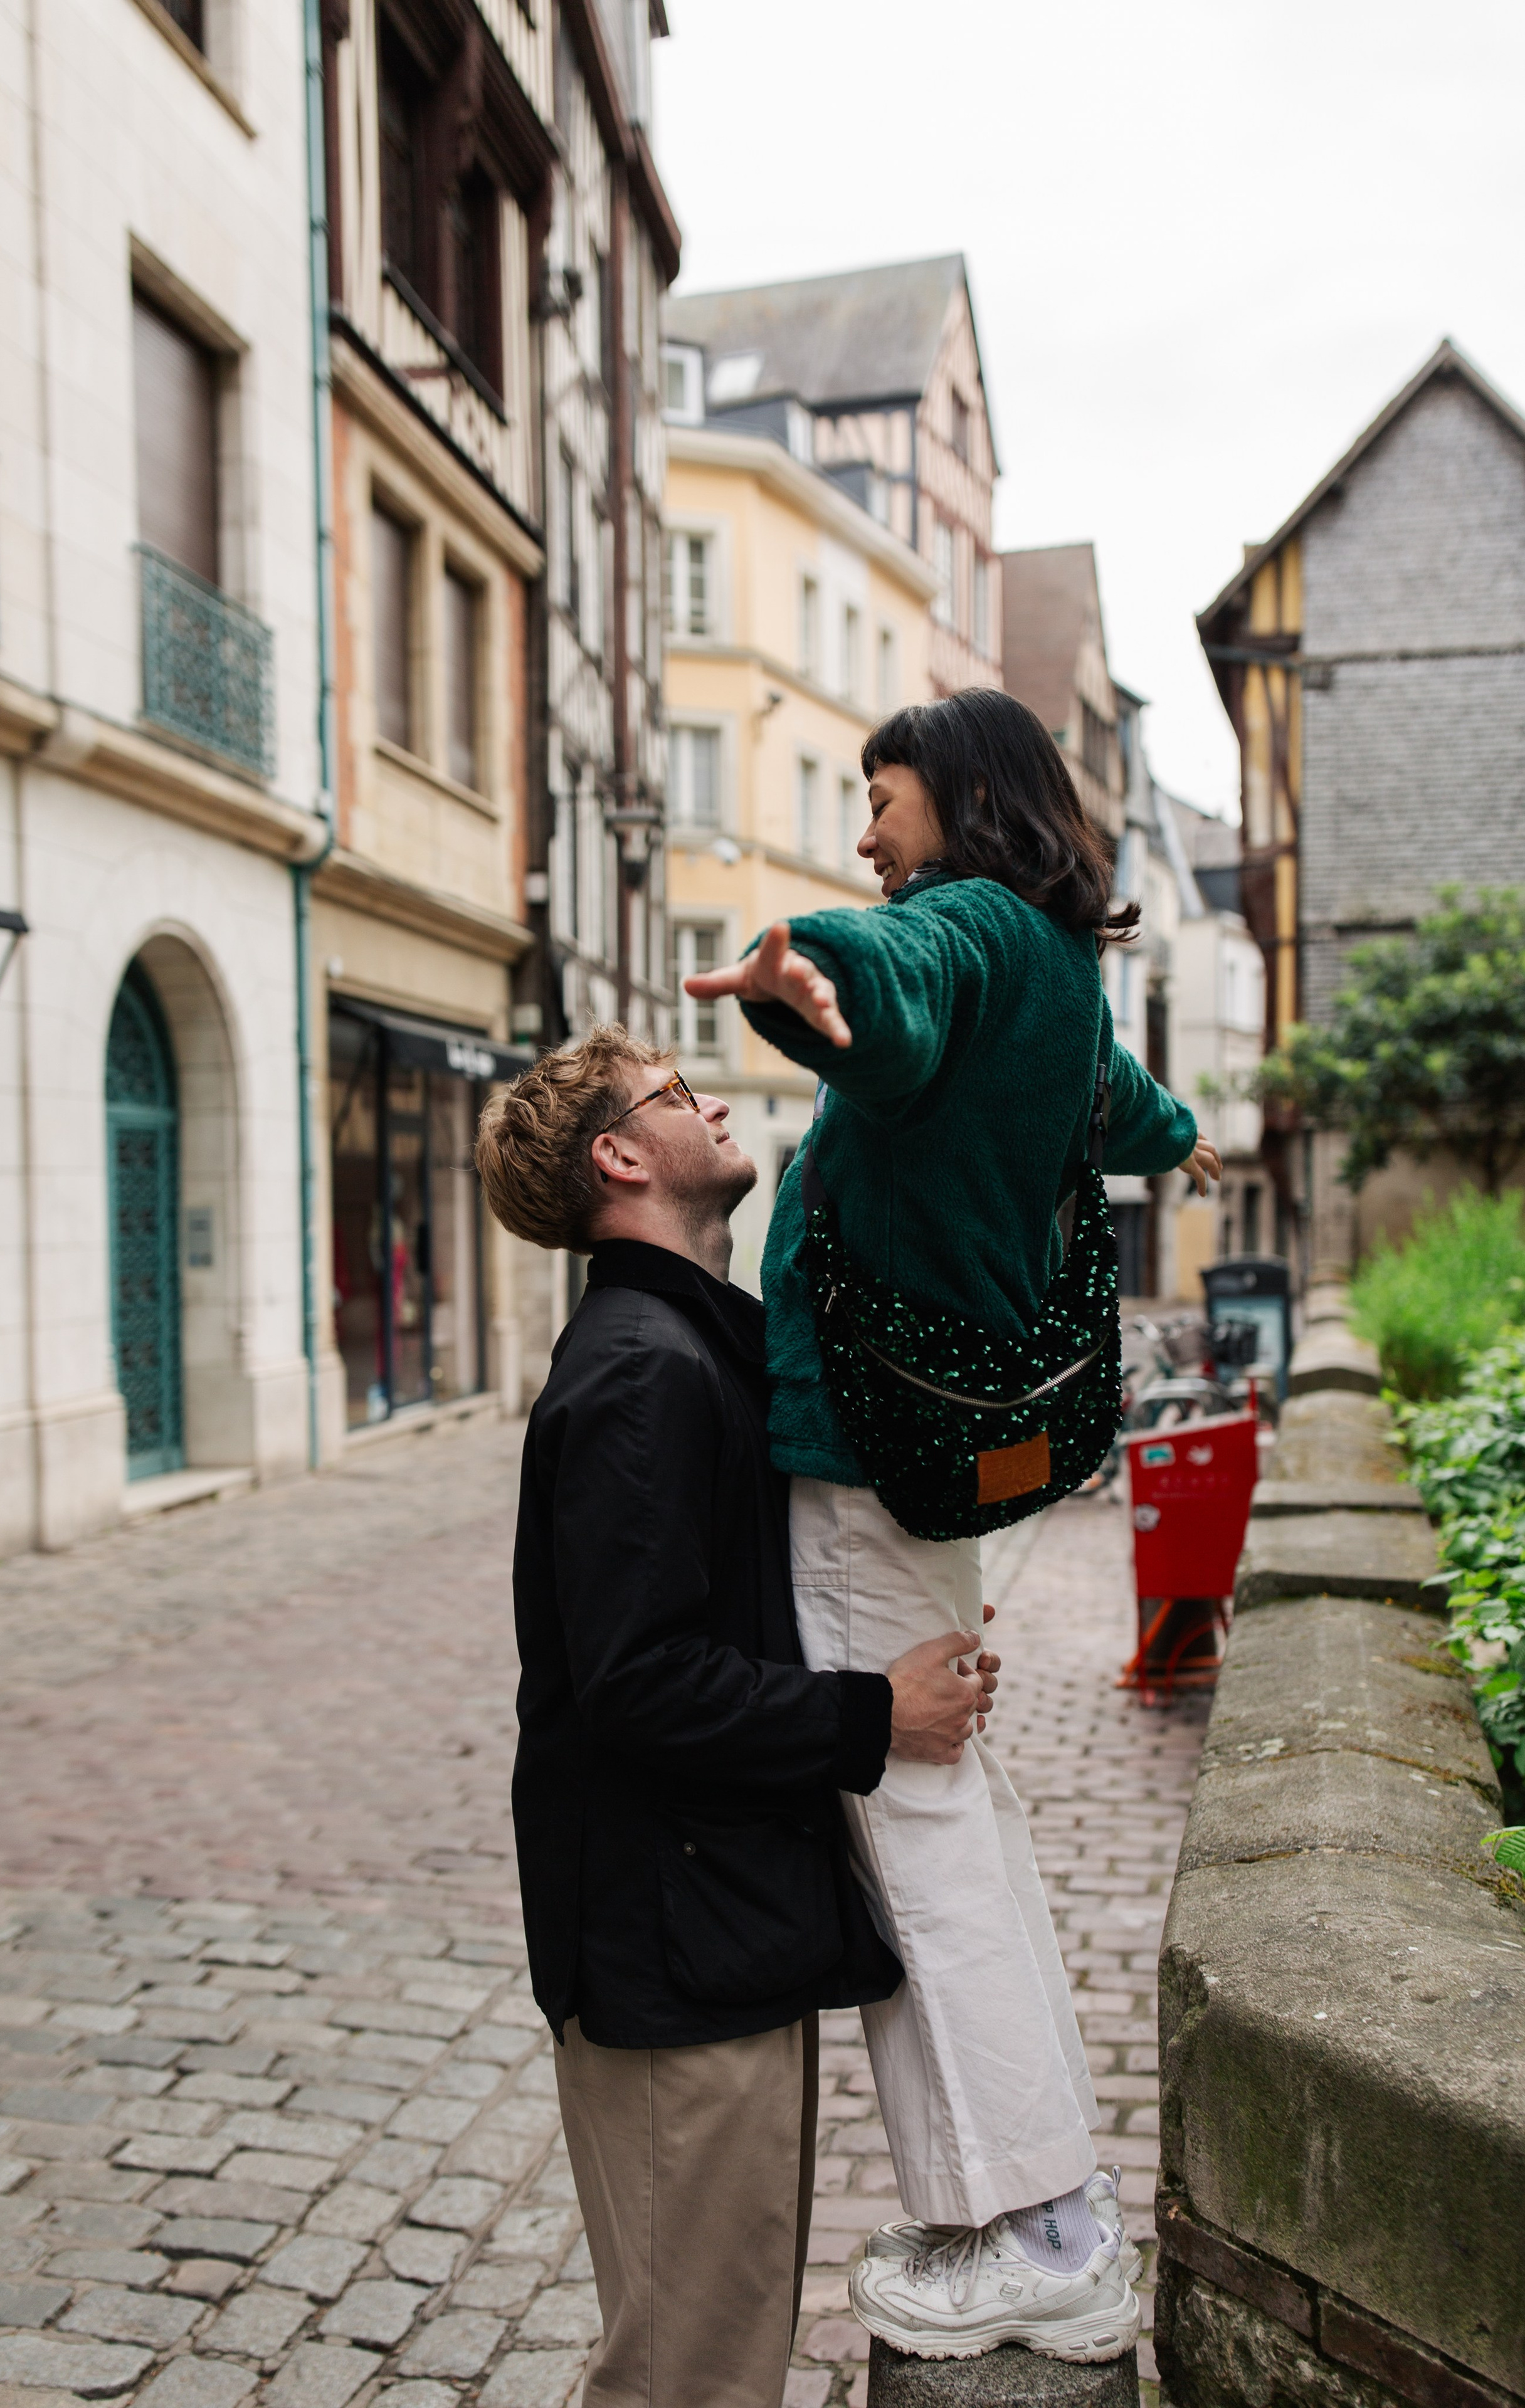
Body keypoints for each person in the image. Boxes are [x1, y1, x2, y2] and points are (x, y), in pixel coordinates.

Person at [685, 686, 1220, 2366]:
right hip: (966, 1449)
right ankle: (1039, 2198)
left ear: (963, 802)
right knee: (951, 1803)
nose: (865, 830)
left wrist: (813, 963)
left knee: (915, 1810)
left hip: (870, 1454)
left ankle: (1041, 2230)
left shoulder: (965, 928)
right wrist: (1164, 1140)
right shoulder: (1063, 970)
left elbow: (900, 998)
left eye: (882, 797)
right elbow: (1141, 1116)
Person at [473, 1026, 1000, 2408]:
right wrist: (870, 1712)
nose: (708, 1101)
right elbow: (639, 1682)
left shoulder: (690, 1343)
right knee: (684, 2376)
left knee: (717, 2350)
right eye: (674, 1093)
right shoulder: (643, 1368)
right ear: (621, 1155)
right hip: (671, 1952)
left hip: (714, 1923)